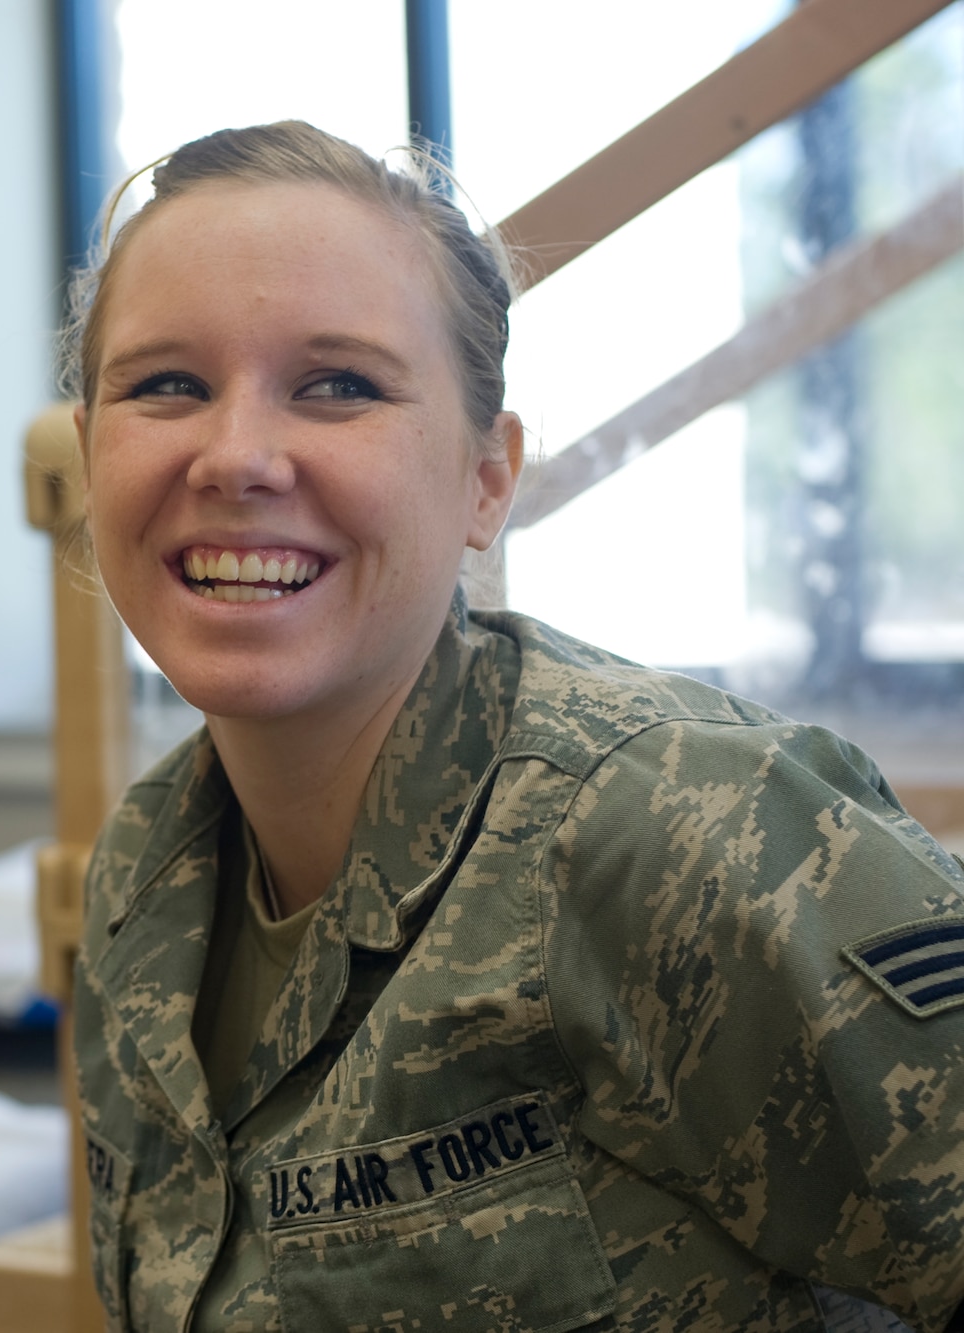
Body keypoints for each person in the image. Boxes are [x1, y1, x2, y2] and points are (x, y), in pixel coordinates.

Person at [67, 120, 964, 1332]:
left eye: (337, 385)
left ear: (486, 478)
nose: (234, 457)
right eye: (165, 385)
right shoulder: (142, 877)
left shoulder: (682, 831)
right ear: (87, 454)